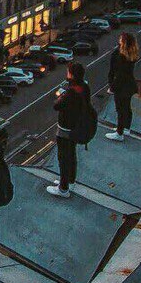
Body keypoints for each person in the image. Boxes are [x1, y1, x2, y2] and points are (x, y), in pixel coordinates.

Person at [47, 62, 91, 199]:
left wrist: (61, 95)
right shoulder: (84, 87)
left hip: (65, 129)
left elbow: (57, 106)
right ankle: (69, 181)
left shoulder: (71, 92)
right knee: (71, 155)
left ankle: (63, 188)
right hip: (76, 127)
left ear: (71, 74)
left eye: (68, 72)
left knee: (63, 158)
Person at [106, 32, 139, 141]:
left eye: (121, 39)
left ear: (123, 42)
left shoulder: (119, 55)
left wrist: (112, 87)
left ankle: (119, 133)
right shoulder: (131, 54)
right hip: (130, 85)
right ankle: (126, 128)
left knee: (120, 109)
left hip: (121, 87)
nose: (119, 39)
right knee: (127, 108)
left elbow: (118, 74)